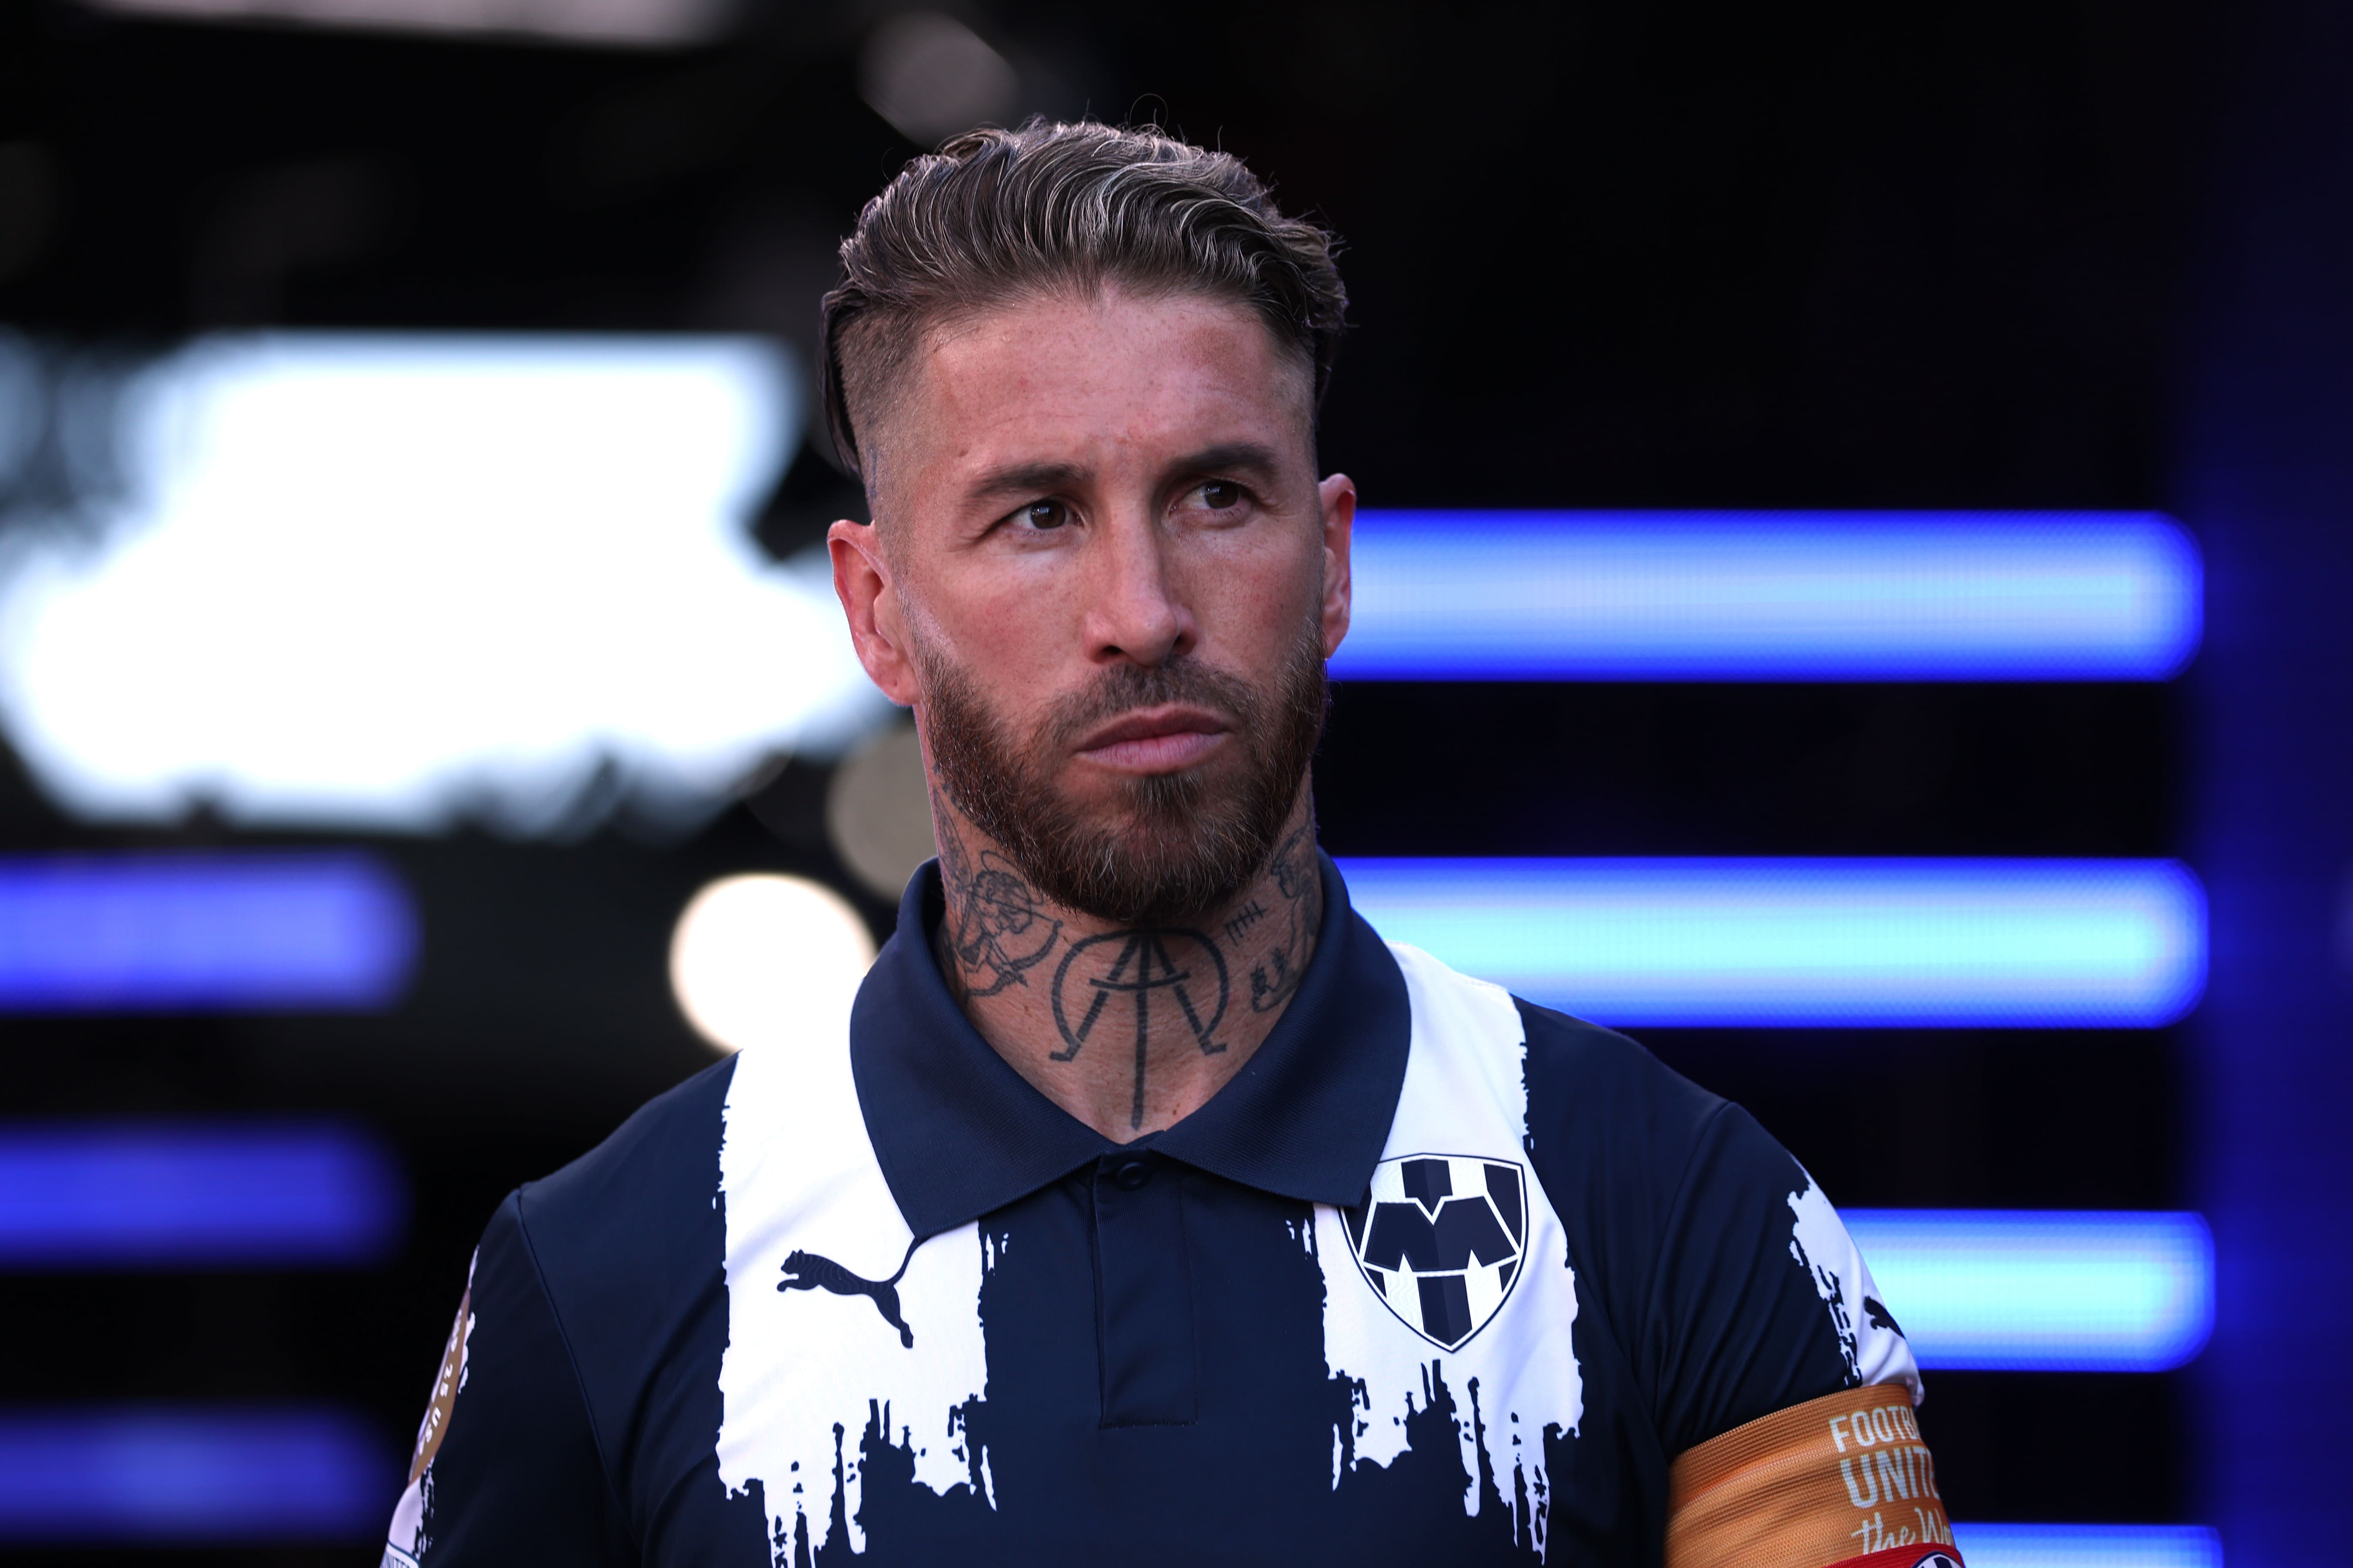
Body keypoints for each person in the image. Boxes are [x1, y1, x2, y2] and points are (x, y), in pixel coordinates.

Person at [383, 120, 1959, 1568]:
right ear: (875, 608)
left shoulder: (1675, 1214)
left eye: (1215, 495)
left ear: (1329, 560)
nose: (1140, 612)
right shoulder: (610, 1271)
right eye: (1038, 515)